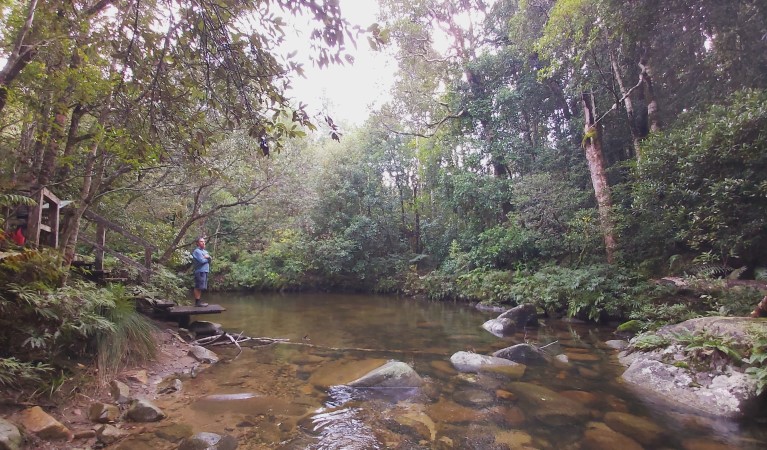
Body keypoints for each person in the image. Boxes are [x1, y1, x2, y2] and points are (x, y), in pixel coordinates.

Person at [192, 237, 212, 307]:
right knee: (198, 286)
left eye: (204, 241)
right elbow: (201, 261)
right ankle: (197, 302)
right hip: (200, 271)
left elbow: (210, 260)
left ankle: (199, 301)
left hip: (205, 270)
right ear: (197, 243)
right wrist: (208, 258)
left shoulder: (205, 252)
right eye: (201, 241)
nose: (203, 242)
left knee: (201, 287)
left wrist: (208, 258)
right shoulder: (197, 251)